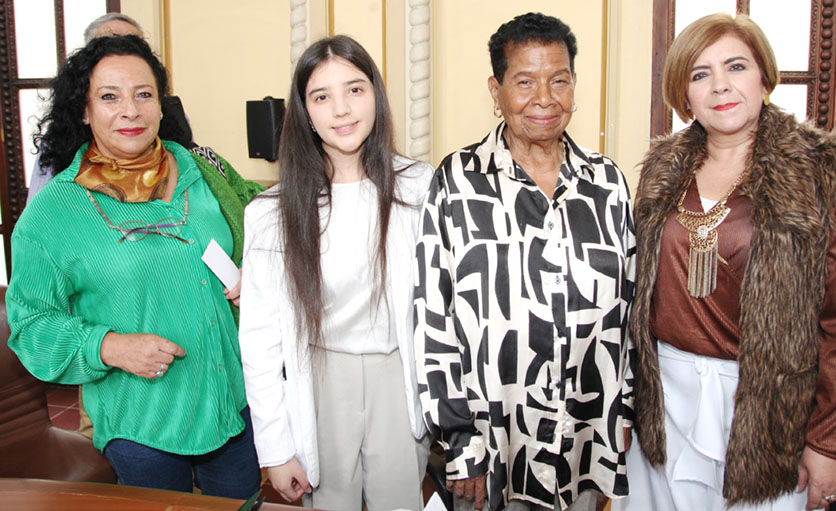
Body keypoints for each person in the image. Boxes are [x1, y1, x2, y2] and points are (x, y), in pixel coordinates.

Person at [613, 13, 836, 511]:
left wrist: (830, 444)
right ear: (683, 94)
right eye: (700, 74)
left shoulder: (826, 172)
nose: (720, 86)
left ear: (764, 77)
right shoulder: (659, 172)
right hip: (664, 405)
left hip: (769, 414)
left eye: (736, 66)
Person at [7, 34, 264, 498]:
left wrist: (258, 279)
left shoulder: (200, 169)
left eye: (143, 94)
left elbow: (262, 231)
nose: (130, 110)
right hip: (143, 424)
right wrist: (109, 346)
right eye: (109, 96)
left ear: (162, 106)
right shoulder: (53, 213)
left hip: (233, 406)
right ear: (84, 111)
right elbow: (30, 328)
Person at [414, 12, 635, 511]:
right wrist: (460, 440)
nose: (544, 98)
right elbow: (434, 318)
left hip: (585, 436)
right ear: (496, 90)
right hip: (494, 444)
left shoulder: (607, 185)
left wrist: (624, 413)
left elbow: (631, 310)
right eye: (525, 81)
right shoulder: (458, 182)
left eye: (559, 80)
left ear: (574, 85)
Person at [238, 35, 432, 510]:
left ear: (376, 96)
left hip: (398, 374)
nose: (341, 110)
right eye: (322, 97)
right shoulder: (271, 211)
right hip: (320, 380)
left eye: (355, 90)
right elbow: (259, 342)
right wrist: (277, 450)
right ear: (304, 112)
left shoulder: (419, 186)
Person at [27, 13, 144, 202]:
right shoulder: (59, 136)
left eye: (133, 46)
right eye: (109, 97)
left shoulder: (173, 123)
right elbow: (37, 213)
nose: (130, 112)